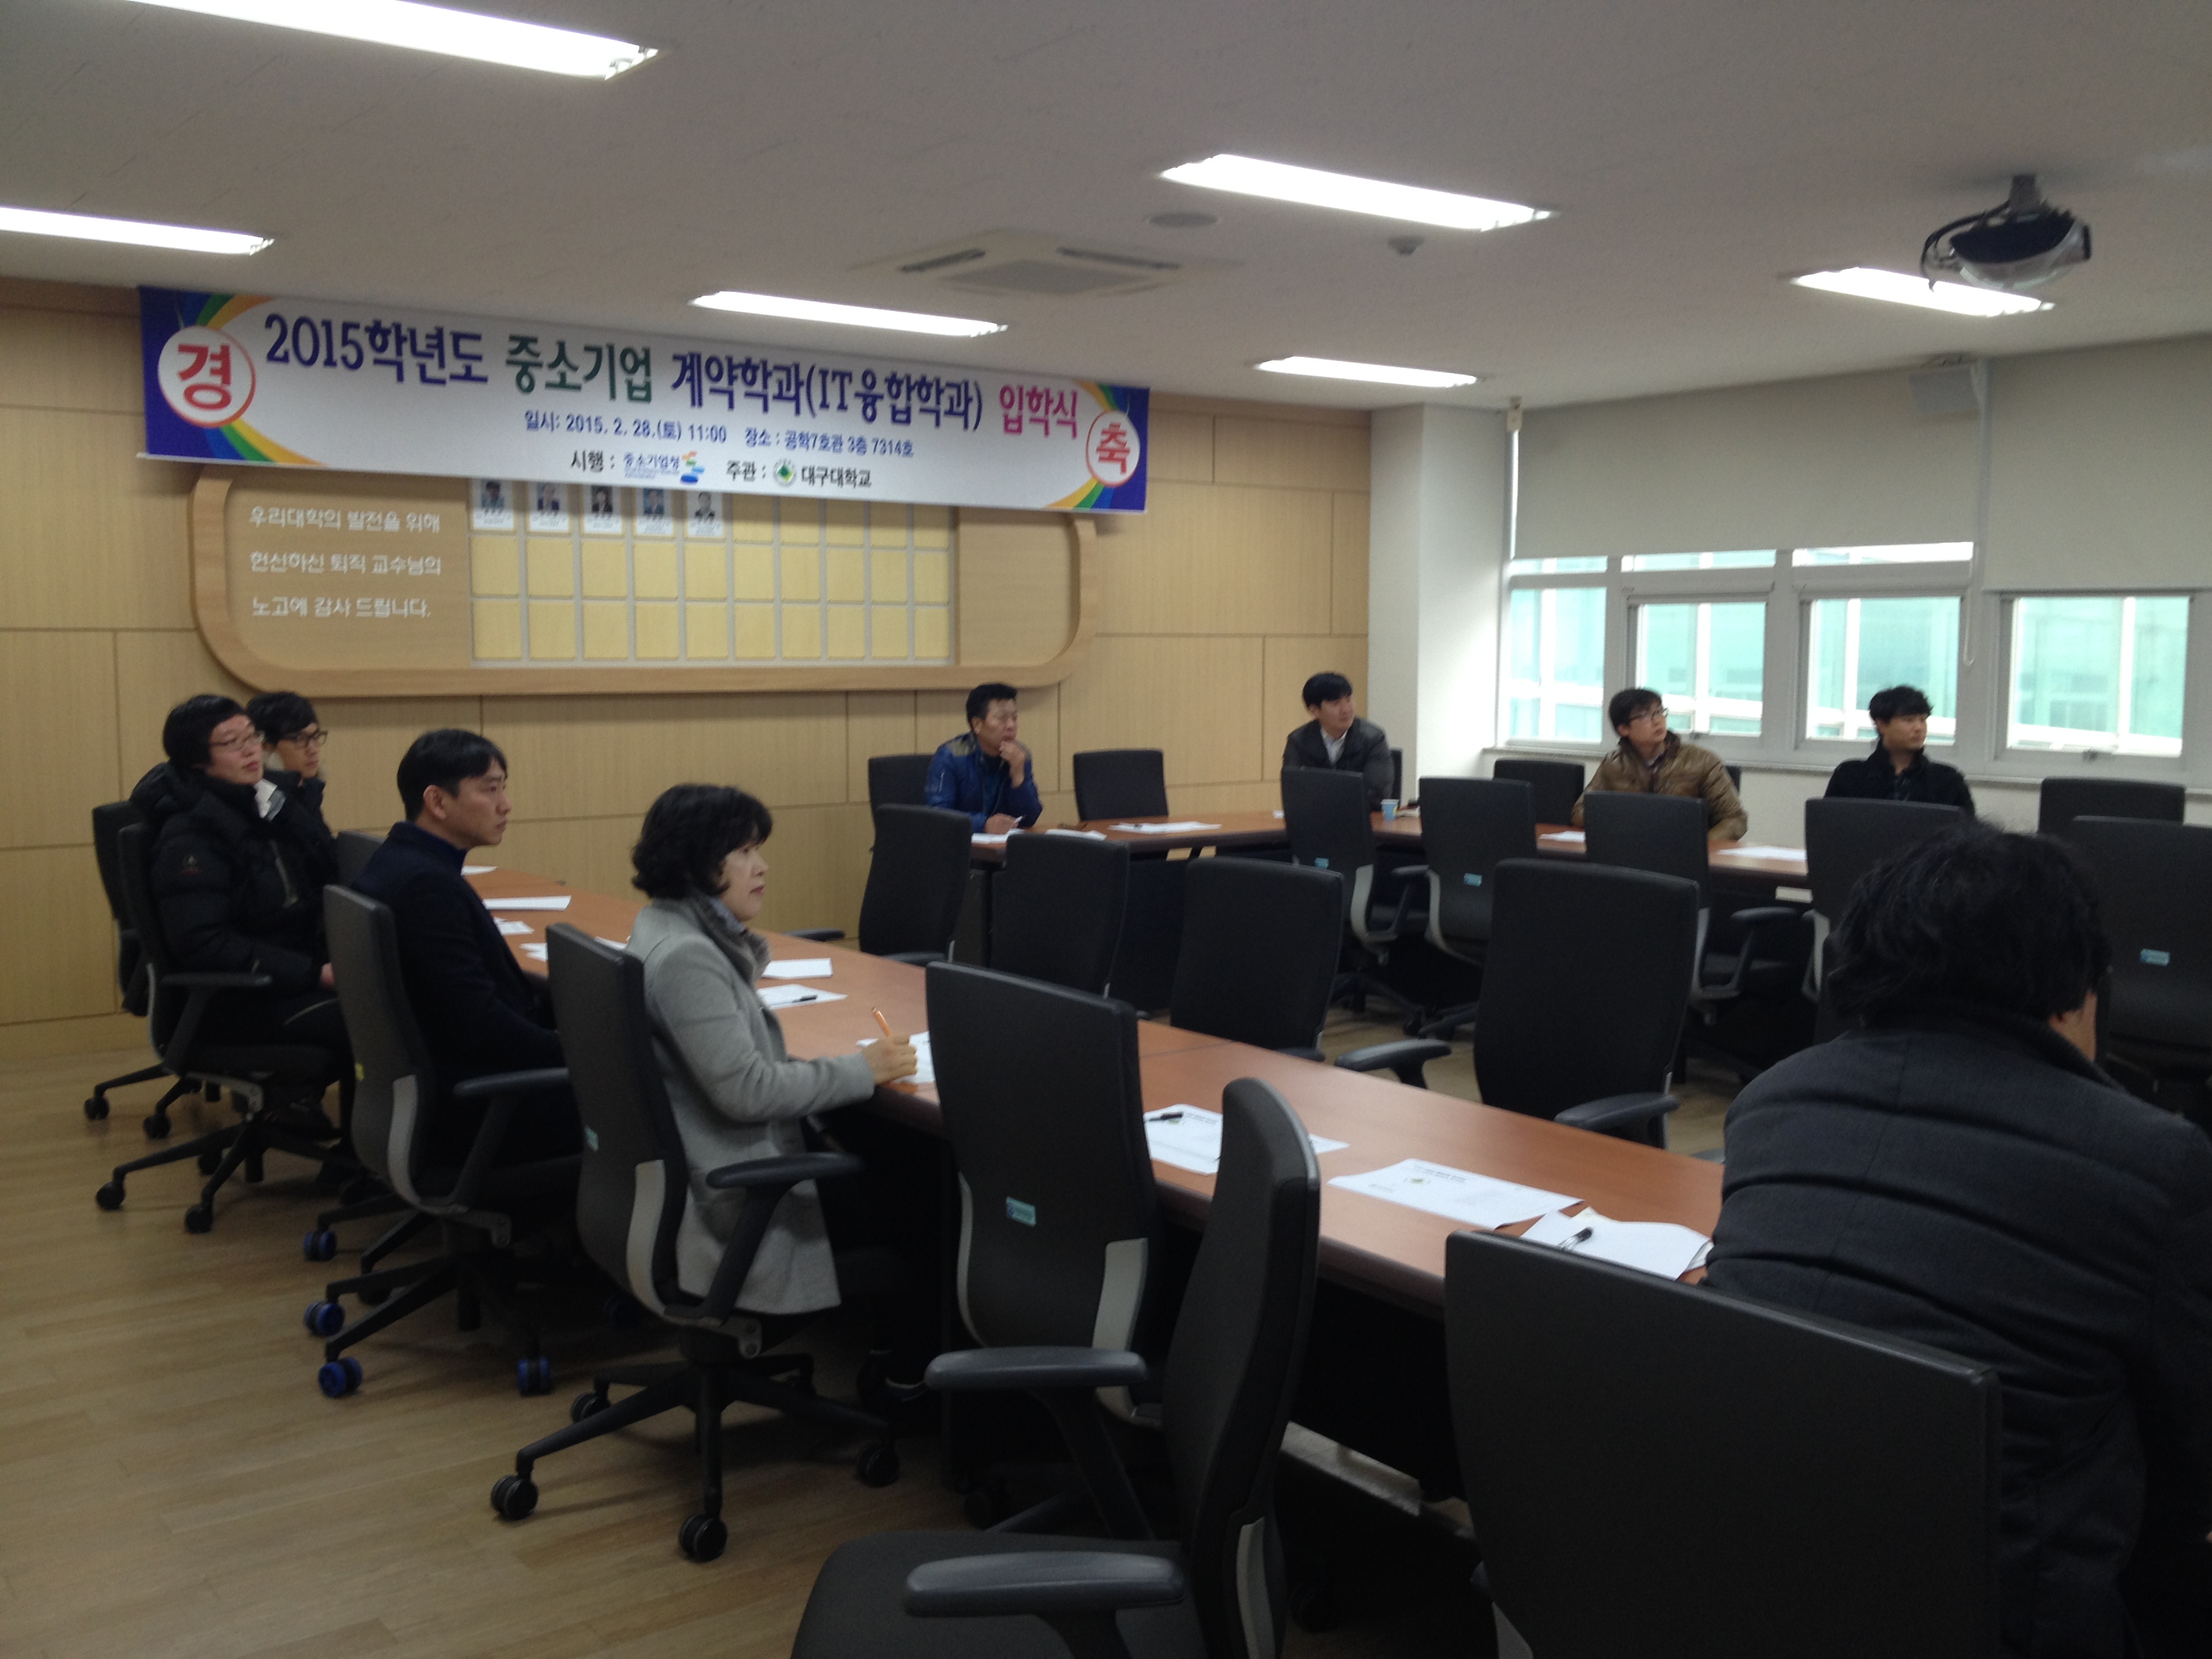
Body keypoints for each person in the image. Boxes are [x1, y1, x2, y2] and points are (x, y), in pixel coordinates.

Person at [1706, 827, 2212, 1659]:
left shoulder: (1772, 1101)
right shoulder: (2154, 1162)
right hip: (2004, 1619)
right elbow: (2190, 1463)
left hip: (1753, 1583)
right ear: (2077, 990)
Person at [626, 784, 920, 1315]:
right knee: (924, 1193)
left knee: (884, 1146)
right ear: (694, 861)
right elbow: (748, 1091)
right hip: (736, 1197)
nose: (761, 867)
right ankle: (910, 1356)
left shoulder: (662, 924)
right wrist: (863, 1068)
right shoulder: (686, 958)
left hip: (718, 1158)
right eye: (743, 852)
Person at [350, 729, 577, 1168]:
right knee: (651, 1092)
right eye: (490, 790)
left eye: (503, 788)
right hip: (481, 1109)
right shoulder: (426, 887)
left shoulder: (396, 860)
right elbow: (481, 1026)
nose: (505, 804)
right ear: (437, 802)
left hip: (445, 1089)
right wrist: (579, 1054)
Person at [128, 695, 346, 1054]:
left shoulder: (266, 804)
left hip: (291, 972)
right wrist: (313, 973)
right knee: (384, 1021)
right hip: (239, 998)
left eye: (252, 736)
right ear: (197, 759)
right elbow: (205, 943)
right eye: (232, 743)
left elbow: (327, 873)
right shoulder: (190, 836)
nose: (251, 750)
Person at [1570, 687, 1748, 840]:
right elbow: (1579, 812)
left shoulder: (1702, 760)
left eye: (1659, 712)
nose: (1658, 720)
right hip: (1631, 850)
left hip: (1685, 854)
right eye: (1645, 715)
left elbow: (1735, 819)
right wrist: (1623, 818)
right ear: (1624, 729)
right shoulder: (1614, 763)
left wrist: (1700, 846)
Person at [1822, 684, 1976, 813]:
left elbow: (1968, 833)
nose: (1919, 728)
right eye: (1909, 720)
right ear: (1882, 725)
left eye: (1923, 720)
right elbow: (1829, 827)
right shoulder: (1850, 776)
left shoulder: (1948, 780)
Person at [925, 681, 1041, 832]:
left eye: (1014, 718)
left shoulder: (1020, 756)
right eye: (1002, 718)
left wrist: (1019, 778)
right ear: (977, 725)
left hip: (1005, 844)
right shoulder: (950, 756)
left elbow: (1030, 819)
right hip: (960, 844)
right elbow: (938, 815)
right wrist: (984, 824)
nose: (1011, 725)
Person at [1280, 671, 1394, 809]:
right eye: (1336, 703)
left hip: (1361, 817)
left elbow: (1376, 793)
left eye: (1349, 699)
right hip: (1314, 818)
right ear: (1314, 711)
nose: (1346, 710)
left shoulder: (1373, 739)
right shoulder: (1299, 741)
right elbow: (1293, 790)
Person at [247, 690, 337, 845]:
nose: (313, 749)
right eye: (299, 739)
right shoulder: (263, 803)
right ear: (265, 746)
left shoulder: (308, 791)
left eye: (315, 737)